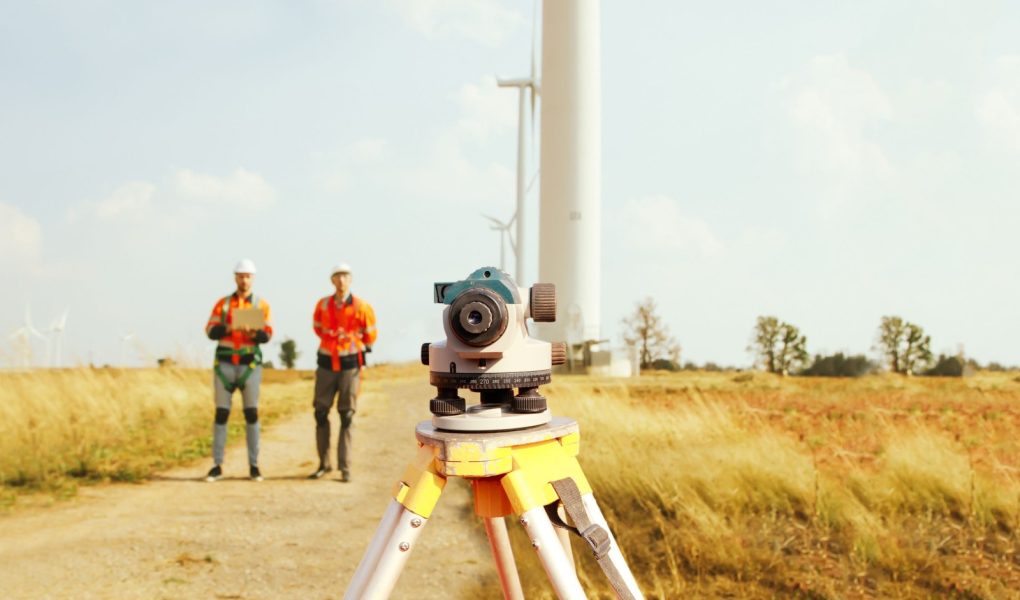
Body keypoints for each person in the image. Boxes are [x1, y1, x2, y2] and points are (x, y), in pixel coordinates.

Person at [203, 259, 273, 482]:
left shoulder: (261, 305)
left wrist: (253, 333)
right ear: (235, 278)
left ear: (253, 278)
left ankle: (254, 465)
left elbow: (267, 335)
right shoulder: (223, 305)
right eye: (241, 276)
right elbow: (210, 331)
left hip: (249, 364)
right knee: (221, 413)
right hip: (225, 364)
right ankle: (217, 464)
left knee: (251, 413)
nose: (244, 280)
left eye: (248, 276)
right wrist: (228, 327)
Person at [309, 263, 377, 482]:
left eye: (345, 276)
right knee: (320, 413)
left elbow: (370, 335)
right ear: (332, 280)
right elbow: (317, 327)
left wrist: (353, 342)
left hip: (349, 365)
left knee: (346, 415)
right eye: (337, 276)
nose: (341, 280)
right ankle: (324, 464)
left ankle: (345, 466)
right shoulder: (322, 304)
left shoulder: (362, 306)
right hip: (326, 364)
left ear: (350, 279)